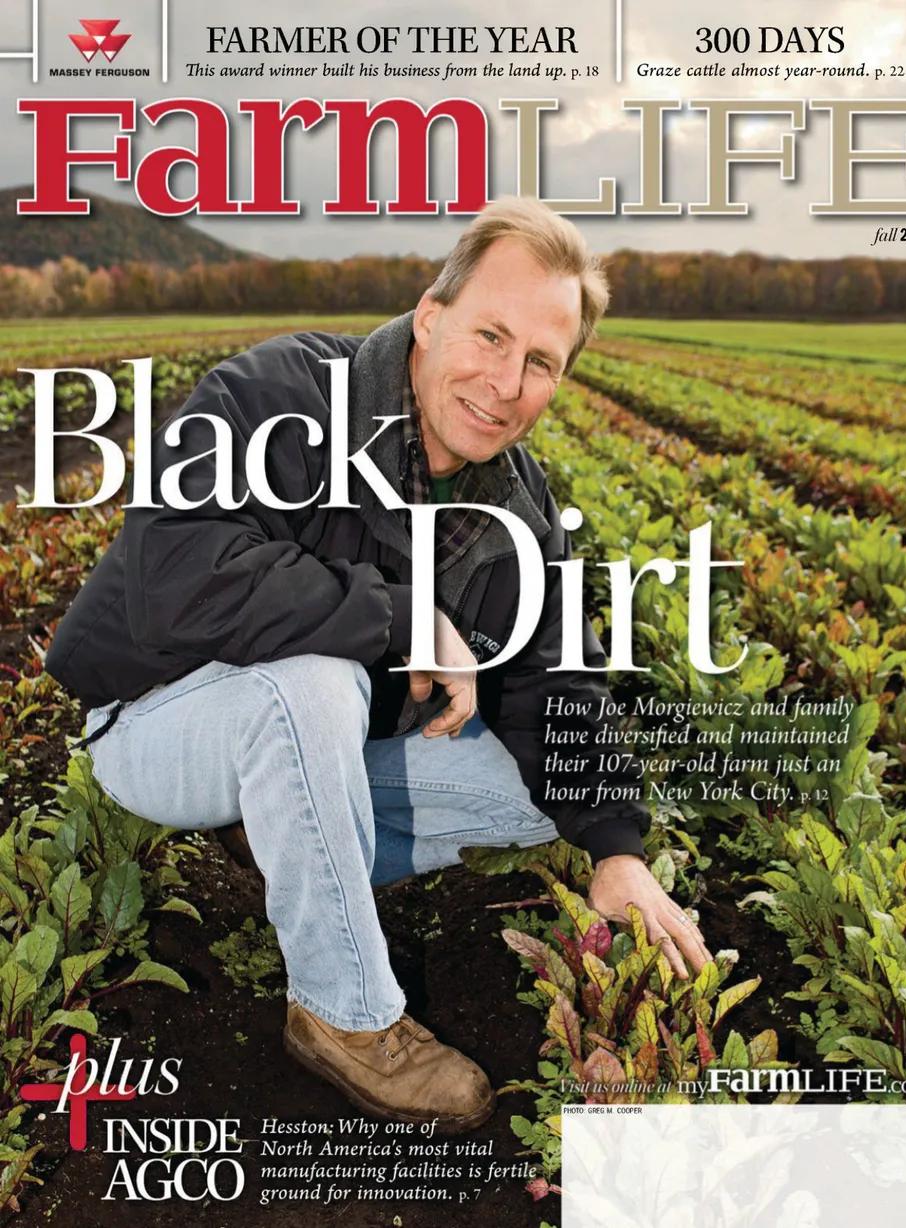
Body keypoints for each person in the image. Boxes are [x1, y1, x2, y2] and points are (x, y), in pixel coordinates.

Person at [46, 197, 712, 1133]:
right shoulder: (279, 393)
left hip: (314, 737)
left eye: (540, 362)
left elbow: (559, 675)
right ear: (430, 316)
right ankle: (345, 1013)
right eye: (490, 335)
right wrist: (402, 615)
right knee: (316, 680)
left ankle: (287, 836)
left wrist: (618, 851)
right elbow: (174, 577)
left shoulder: (515, 504)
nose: (505, 382)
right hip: (157, 718)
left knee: (541, 796)